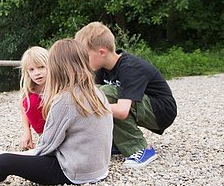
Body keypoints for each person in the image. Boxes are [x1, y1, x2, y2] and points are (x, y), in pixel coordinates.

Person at [0, 39, 113, 185]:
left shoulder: (65, 100)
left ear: (57, 67)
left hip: (75, 172)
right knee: (15, 156)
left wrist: (12, 155)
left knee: (3, 162)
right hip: (99, 168)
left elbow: (45, 148)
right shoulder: (97, 93)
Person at [75, 22, 177, 168]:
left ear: (102, 52)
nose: (83, 61)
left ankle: (139, 149)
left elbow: (122, 111)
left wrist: (89, 107)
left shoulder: (129, 67)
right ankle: (117, 143)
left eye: (86, 56)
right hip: (140, 106)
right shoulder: (102, 69)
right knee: (97, 93)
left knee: (105, 94)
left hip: (161, 111)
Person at [18, 46, 49, 150]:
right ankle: (44, 139)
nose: (37, 73)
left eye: (41, 67)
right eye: (32, 69)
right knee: (30, 101)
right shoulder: (30, 89)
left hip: (59, 125)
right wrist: (27, 132)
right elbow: (23, 109)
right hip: (44, 129)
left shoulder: (58, 86)